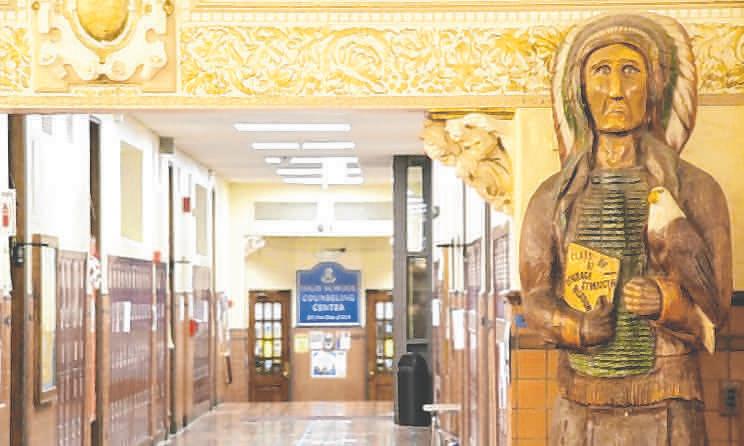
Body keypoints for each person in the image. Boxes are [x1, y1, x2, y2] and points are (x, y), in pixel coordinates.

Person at [519, 13, 732, 445]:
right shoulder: (552, 199)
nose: (616, 90)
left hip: (669, 399)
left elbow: (718, 309)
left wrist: (666, 301)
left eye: (630, 71)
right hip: (581, 402)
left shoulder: (697, 190)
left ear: (654, 87)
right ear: (579, 89)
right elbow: (535, 297)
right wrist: (577, 327)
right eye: (601, 71)